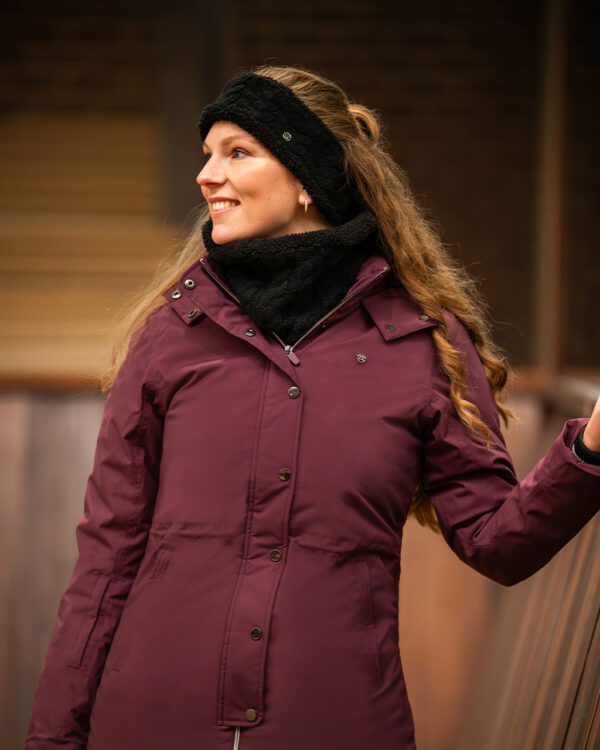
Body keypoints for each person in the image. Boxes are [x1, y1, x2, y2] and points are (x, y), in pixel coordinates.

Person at [26, 65, 600, 750]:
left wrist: (591, 447)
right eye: (207, 154)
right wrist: (53, 739)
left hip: (337, 723)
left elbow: (498, 542)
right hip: (152, 721)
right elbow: (106, 561)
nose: (207, 175)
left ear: (306, 178)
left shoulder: (423, 344)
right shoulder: (172, 335)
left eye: (237, 152)